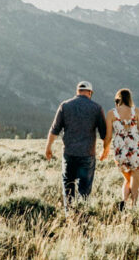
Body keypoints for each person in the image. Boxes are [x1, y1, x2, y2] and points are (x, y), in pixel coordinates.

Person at [45, 80, 107, 210]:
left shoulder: (65, 105)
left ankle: (69, 217)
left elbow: (54, 129)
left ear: (77, 91)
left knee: (68, 187)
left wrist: (48, 147)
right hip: (87, 155)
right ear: (90, 93)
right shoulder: (96, 108)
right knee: (84, 190)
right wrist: (105, 150)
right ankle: (81, 219)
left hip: (69, 154)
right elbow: (104, 134)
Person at [101, 87, 139, 210]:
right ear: (129, 99)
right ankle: (134, 208)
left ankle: (124, 202)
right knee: (135, 183)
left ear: (117, 99)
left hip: (120, 151)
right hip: (137, 149)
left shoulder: (111, 113)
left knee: (128, 179)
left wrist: (105, 151)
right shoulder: (136, 111)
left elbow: (108, 136)